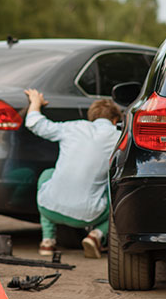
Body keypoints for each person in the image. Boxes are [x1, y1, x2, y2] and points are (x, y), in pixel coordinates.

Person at [24, 88, 122, 259]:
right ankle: (96, 235)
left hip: (48, 208)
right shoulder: (118, 136)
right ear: (115, 120)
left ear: (91, 117)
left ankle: (47, 241)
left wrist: (35, 102)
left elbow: (35, 123)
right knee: (120, 194)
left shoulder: (72, 127)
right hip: (87, 216)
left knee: (48, 175)